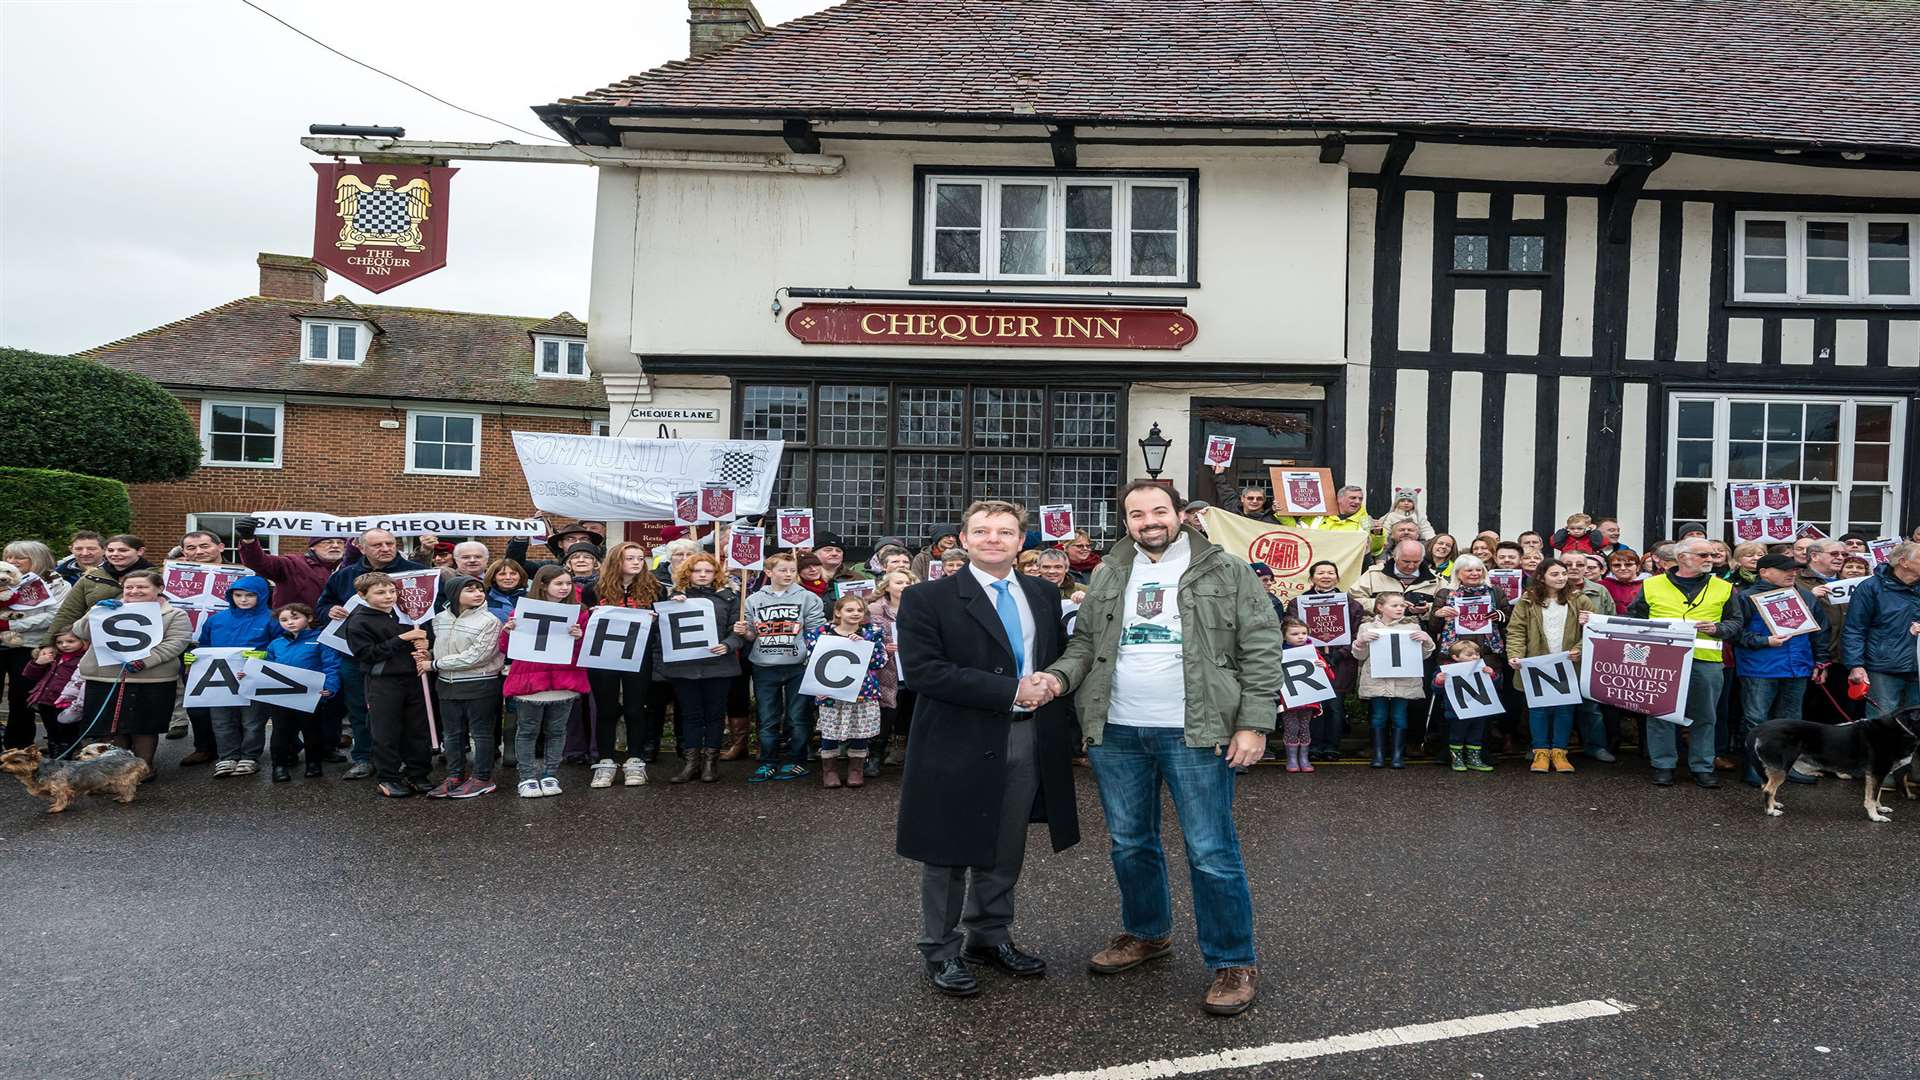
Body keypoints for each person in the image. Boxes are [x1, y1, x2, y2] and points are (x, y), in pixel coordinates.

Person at [1036, 481, 1280, 1017]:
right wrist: (1056, 680)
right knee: (1129, 843)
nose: (1149, 520)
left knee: (1211, 851)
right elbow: (1084, 645)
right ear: (1125, 521)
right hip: (1117, 729)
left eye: (1159, 510)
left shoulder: (1227, 569)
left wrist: (1254, 724)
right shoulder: (1108, 571)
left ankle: (1233, 960)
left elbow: (1261, 645)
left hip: (1197, 730)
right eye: (1136, 512)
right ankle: (1147, 934)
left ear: (1180, 515)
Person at [899, 499, 1079, 1000]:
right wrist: (1010, 690)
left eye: (1005, 531)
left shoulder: (1044, 594)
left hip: (1027, 735)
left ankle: (989, 937)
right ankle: (940, 948)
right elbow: (923, 672)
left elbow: (1058, 658)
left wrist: (1051, 682)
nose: (994, 538)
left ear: (1022, 541)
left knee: (1006, 844)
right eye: (982, 530)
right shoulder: (927, 599)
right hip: (956, 738)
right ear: (964, 538)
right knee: (948, 848)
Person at [1627, 537, 1741, 788]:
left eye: (1711, 555)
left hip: (1706, 661)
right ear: (1682, 558)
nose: (1710, 560)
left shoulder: (1723, 587)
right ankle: (1663, 765)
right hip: (1661, 660)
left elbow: (1736, 622)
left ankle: (1702, 766)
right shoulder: (1652, 585)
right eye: (1704, 555)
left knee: (1705, 716)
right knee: (1660, 714)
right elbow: (1635, 618)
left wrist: (1718, 628)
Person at [317, 530, 425, 780]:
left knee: (408, 715)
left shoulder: (416, 572)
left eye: (390, 543)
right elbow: (323, 604)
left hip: (404, 659)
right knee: (360, 709)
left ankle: (406, 760)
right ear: (362, 548)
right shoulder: (345, 575)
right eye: (377, 545)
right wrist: (328, 611)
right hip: (357, 656)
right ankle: (364, 758)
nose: (385, 548)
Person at [68, 569, 193, 777]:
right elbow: (80, 632)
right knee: (111, 727)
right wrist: (96, 612)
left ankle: (143, 769)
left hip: (153, 678)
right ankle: (116, 770)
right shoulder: (107, 608)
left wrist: (145, 661)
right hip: (105, 676)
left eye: (142, 587)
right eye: (129, 587)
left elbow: (176, 643)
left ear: (159, 589)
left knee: (144, 726)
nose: (135, 591)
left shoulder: (175, 614)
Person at [1731, 553, 1832, 787]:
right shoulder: (1745, 597)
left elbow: (1820, 631)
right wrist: (1764, 641)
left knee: (1791, 723)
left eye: (1794, 569)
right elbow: (1736, 633)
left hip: (1797, 667)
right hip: (1760, 668)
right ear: (1764, 572)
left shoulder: (1805, 596)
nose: (1792, 573)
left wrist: (1821, 662)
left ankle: (1786, 769)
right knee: (1756, 720)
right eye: (1785, 569)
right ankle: (1754, 770)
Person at [343, 571, 434, 799]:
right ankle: (388, 777)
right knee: (386, 731)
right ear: (362, 595)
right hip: (383, 682)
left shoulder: (405, 614)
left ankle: (417, 773)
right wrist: (401, 639)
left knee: (417, 729)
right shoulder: (358, 621)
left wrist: (424, 644)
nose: (388, 596)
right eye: (380, 592)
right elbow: (367, 654)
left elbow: (418, 642)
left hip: (414, 677)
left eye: (392, 591)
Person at [501, 567, 589, 798]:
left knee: (557, 730)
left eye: (568, 584)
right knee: (528, 730)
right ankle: (527, 777)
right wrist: (508, 633)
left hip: (564, 681)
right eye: (559, 583)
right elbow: (505, 649)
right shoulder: (522, 611)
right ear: (542, 585)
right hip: (530, 680)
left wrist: (579, 638)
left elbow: (586, 651)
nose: (565, 588)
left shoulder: (579, 612)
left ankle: (551, 774)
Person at [1505, 558, 1598, 774]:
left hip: (1568, 662)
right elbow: (1516, 630)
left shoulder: (1579, 600)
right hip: (1537, 663)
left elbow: (1594, 630)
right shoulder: (1527, 600)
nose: (1562, 578)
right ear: (1541, 577)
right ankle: (1540, 751)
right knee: (1538, 709)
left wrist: (1580, 649)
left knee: (1564, 709)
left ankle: (1560, 751)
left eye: (1563, 574)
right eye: (1555, 574)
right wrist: (1515, 655)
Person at [658, 553, 743, 785]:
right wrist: (670, 608)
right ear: (689, 573)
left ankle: (710, 763)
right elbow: (663, 629)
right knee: (690, 714)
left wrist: (728, 645)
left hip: (719, 666)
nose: (703, 575)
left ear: (716, 574)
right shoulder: (675, 597)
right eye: (698, 571)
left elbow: (737, 630)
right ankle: (691, 763)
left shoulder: (729, 599)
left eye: (708, 571)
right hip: (685, 667)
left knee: (715, 714)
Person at [742, 552, 826, 782]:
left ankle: (797, 760)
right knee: (767, 717)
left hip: (797, 666)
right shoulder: (753, 600)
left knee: (797, 717)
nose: (788, 574)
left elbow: (817, 631)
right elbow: (751, 634)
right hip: (764, 666)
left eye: (791, 570)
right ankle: (768, 761)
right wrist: (744, 632)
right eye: (782, 570)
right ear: (768, 572)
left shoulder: (808, 598)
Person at [589, 541, 664, 785]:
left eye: (640, 558)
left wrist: (656, 619)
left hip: (638, 655)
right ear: (616, 561)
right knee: (607, 709)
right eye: (629, 557)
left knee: (635, 708)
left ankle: (634, 760)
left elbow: (665, 625)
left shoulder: (655, 589)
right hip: (603, 657)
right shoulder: (595, 589)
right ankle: (606, 761)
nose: (635, 562)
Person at [424, 577, 504, 798]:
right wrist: (428, 654)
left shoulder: (489, 621)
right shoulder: (439, 619)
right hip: (446, 684)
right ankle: (454, 775)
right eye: (470, 590)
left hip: (479, 683)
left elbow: (477, 656)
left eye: (480, 590)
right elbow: (438, 648)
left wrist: (434, 664)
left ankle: (482, 778)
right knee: (451, 734)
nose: (478, 594)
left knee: (481, 733)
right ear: (454, 593)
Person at [194, 574, 278, 776]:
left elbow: (280, 646)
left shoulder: (272, 618)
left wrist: (265, 655)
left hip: (253, 677)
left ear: (262, 595)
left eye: (250, 595)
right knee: (222, 720)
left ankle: (250, 756)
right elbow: (204, 645)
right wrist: (194, 658)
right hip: (218, 678)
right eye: (238, 595)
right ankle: (227, 757)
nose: (243, 599)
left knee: (253, 721)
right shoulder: (216, 620)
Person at [804, 594, 890, 788]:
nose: (855, 614)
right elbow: (812, 661)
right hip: (830, 691)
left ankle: (855, 769)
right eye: (849, 610)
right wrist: (817, 687)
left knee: (860, 730)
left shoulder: (871, 632)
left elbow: (880, 662)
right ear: (838, 612)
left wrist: (863, 645)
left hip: (862, 691)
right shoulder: (821, 633)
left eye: (859, 610)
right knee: (830, 730)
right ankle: (830, 770)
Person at [1285, 560, 1365, 760]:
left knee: (1335, 705)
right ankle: (1313, 746)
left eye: (1330, 572)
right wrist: (1313, 653)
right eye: (1320, 573)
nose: (1326, 576)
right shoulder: (1298, 604)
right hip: (1310, 661)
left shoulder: (1351, 604)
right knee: (1313, 706)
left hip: (1340, 661)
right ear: (1311, 578)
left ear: (1337, 577)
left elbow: (1357, 633)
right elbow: (1292, 631)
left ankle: (1331, 746)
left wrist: (1338, 655)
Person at [1351, 593, 1436, 769]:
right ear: (1380, 607)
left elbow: (1422, 655)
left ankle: (1398, 756)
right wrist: (1360, 642)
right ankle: (1378, 755)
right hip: (1377, 680)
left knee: (1400, 717)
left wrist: (1427, 641)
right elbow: (1360, 657)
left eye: (1401, 606)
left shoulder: (1412, 626)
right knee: (1378, 717)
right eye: (1394, 605)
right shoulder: (1367, 627)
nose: (1399, 609)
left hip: (1403, 680)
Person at [260, 603, 341, 783]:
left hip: (311, 695)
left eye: (295, 618)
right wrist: (249, 674)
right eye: (284, 620)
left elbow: (331, 664)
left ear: (309, 618)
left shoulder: (321, 640)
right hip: (282, 697)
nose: (289, 622)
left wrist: (331, 686)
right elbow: (268, 667)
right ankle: (279, 766)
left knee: (312, 731)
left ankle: (314, 764)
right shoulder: (276, 644)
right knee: (280, 731)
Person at [1840, 541, 1920, 722]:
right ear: (1904, 562)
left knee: (1917, 724)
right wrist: (1856, 665)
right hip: (1884, 667)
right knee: (1882, 724)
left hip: (1919, 667)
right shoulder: (1870, 588)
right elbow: (1854, 629)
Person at [1, 541, 70, 749]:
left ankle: (18, 747)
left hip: (29, 646)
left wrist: (11, 624)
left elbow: (54, 616)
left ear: (37, 559)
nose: (12, 561)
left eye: (19, 557)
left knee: (21, 699)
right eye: (9, 557)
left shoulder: (57, 584)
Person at [231, 518, 354, 610]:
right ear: (312, 547)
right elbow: (258, 562)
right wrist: (249, 540)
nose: (335, 546)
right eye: (328, 542)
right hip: (295, 628)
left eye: (340, 542)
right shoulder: (291, 564)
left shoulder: (350, 568)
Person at [868, 568, 915, 771]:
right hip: (886, 670)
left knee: (910, 712)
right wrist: (883, 646)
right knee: (886, 713)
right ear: (886, 586)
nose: (904, 586)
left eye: (908, 582)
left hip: (912, 669)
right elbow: (864, 638)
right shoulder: (874, 609)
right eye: (899, 582)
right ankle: (875, 757)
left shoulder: (921, 609)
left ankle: (905, 755)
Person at [1274, 618, 1331, 773]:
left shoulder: (1313, 652)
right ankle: (1292, 759)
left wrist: (1324, 666)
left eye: (1304, 633)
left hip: (1309, 701)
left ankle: (1304, 758)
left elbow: (1329, 677)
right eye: (1295, 634)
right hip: (1288, 701)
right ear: (1284, 636)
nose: (1301, 636)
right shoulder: (1279, 653)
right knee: (1291, 728)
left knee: (1305, 728)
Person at [1432, 639, 1497, 773]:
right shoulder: (1445, 670)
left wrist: (1492, 675)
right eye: (1469, 655)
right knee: (1457, 736)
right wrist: (1438, 681)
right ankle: (1457, 759)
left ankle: (1474, 759)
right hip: (1457, 711)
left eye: (1477, 654)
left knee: (1476, 736)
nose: (1475, 657)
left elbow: (1495, 686)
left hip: (1479, 710)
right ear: (1455, 657)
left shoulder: (1482, 667)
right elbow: (1436, 690)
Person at [22, 629, 88, 757]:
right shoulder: (54, 656)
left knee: (67, 733)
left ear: (83, 641)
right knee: (52, 732)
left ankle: (65, 759)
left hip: (67, 703)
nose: (64, 645)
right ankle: (54, 756)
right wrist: (38, 663)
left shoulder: (85, 659)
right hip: (46, 701)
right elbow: (29, 675)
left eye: (70, 641)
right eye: (59, 642)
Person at [1351, 538, 1442, 618]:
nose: (1411, 566)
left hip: (1419, 632)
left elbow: (1448, 604)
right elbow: (1353, 601)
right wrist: (1381, 606)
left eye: (1416, 562)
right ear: (1394, 557)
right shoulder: (1373, 574)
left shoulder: (1436, 579)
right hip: (1379, 630)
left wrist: (1427, 609)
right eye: (1406, 561)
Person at [1207, 465, 1280, 524]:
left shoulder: (1270, 522)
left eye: (1259, 499)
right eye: (1250, 498)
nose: (1255, 501)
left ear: (1264, 500)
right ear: (1242, 498)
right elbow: (1225, 491)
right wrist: (1218, 474)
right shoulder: (1233, 508)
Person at [483, 558, 528, 624]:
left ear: (520, 576)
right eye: (502, 574)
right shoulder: (484, 598)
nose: (508, 577)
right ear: (493, 577)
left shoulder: (530, 598)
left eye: (513, 573)